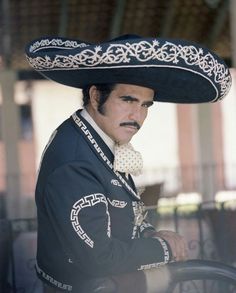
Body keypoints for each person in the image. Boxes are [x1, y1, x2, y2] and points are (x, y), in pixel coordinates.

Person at [25, 35, 231, 293]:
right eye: (128, 100)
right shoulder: (75, 160)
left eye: (145, 105)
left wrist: (148, 234)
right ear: (96, 95)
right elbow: (99, 259)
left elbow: (122, 212)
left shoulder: (97, 140)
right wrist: (165, 248)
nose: (138, 116)